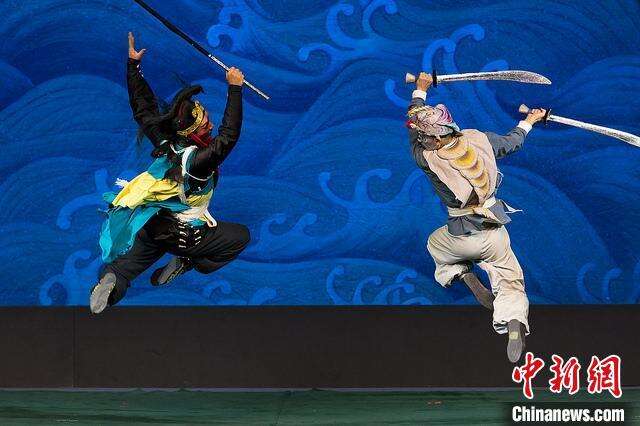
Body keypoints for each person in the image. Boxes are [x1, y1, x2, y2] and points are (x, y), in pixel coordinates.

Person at [89, 32, 250, 314]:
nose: (211, 127)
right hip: (185, 234)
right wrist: (235, 89)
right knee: (240, 237)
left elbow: (144, 110)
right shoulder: (198, 163)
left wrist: (133, 66)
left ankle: (110, 283)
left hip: (154, 223)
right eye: (205, 126)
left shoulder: (167, 144)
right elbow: (229, 137)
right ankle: (188, 260)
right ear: (192, 133)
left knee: (124, 269)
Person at [406, 72, 547, 363]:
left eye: (424, 136)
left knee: (435, 244)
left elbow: (411, 133)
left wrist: (420, 89)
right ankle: (513, 320)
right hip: (494, 232)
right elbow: (512, 142)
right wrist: (530, 120)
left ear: (434, 139)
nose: (421, 138)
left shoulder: (427, 158)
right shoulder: (478, 139)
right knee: (509, 278)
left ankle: (462, 273)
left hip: (459, 237)